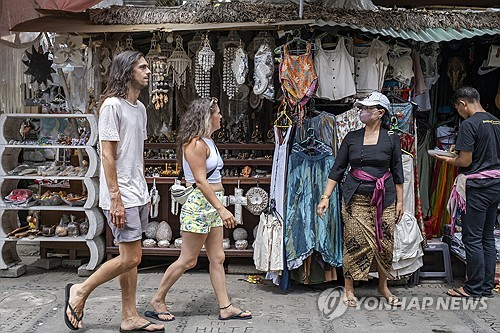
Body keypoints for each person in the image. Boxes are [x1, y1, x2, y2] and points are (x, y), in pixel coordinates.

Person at [64, 51, 165, 333]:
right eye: (142, 67)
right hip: (121, 194)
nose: (148, 71)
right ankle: (80, 291)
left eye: (147, 67)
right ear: (127, 71)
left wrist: (143, 189)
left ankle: (129, 316)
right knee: (132, 258)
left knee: (130, 258)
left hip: (138, 192)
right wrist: (116, 198)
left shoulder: (140, 108)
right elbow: (107, 156)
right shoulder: (111, 106)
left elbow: (136, 154)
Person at [145, 97, 252, 322]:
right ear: (207, 116)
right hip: (201, 204)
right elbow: (201, 182)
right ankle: (157, 299)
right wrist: (222, 209)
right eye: (218, 113)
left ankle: (226, 306)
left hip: (211, 203)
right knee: (188, 260)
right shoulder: (195, 144)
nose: (221, 117)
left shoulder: (208, 141)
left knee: (218, 257)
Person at [317, 92, 404, 307]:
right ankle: (348, 288)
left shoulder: (392, 137)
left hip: (385, 199)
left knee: (385, 242)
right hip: (355, 198)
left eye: (368, 109)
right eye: (362, 108)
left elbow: (398, 172)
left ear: (380, 113)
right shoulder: (352, 137)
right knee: (355, 241)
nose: (362, 112)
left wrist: (400, 202)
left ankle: (383, 286)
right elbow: (337, 169)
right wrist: (325, 197)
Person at [434, 87, 500, 299]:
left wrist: (446, 159)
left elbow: (465, 161)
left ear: (462, 103)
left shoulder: (469, 124)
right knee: (487, 237)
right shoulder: (496, 121)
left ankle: (472, 288)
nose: (458, 111)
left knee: (472, 238)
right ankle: (486, 286)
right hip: (495, 184)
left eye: (457, 107)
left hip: (477, 187)